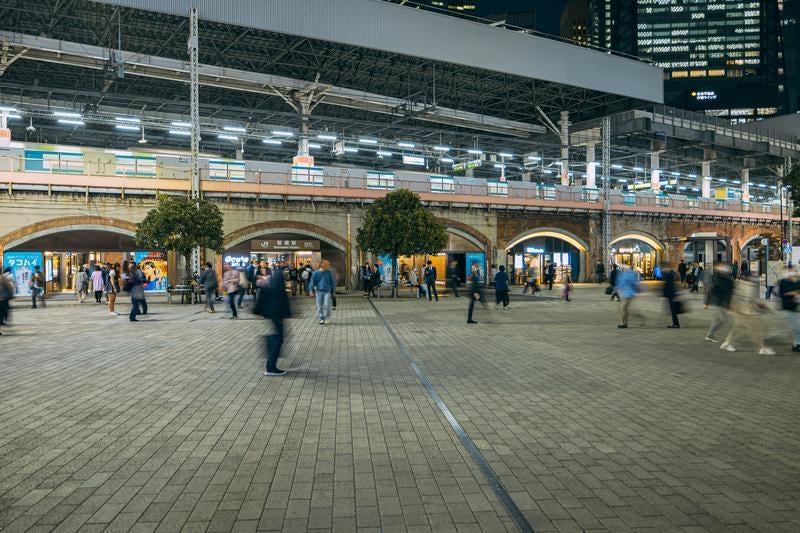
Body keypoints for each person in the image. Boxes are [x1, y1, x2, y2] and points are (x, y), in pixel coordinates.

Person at [255, 259, 291, 376]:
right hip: (276, 314)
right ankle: (271, 367)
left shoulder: (273, 280)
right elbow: (281, 299)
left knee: (278, 337)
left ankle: (271, 365)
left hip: (273, 313)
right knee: (278, 339)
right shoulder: (277, 282)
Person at [721, 277, 774, 355]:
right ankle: (762, 348)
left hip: (741, 312)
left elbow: (736, 299)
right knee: (756, 330)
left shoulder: (740, 286)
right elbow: (751, 302)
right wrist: (764, 309)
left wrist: (733, 309)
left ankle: (727, 343)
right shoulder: (750, 287)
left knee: (737, 328)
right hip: (747, 313)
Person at [705, 264, 734, 343]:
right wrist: (707, 302)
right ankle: (711, 335)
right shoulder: (721, 279)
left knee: (718, 319)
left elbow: (730, 292)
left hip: (720, 302)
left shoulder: (725, 280)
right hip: (719, 303)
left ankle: (710, 335)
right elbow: (711, 290)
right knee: (723, 320)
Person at [778, 266, 800, 352]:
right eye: (792, 272)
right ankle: (796, 345)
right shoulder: (783, 282)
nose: (793, 274)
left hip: (795, 308)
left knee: (797, 328)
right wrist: (793, 293)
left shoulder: (797, 282)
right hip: (787, 309)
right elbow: (781, 294)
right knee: (798, 328)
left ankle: (797, 345)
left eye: (795, 272)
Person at [310, 260, 335, 324]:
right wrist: (311, 291)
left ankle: (326, 316)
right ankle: (321, 318)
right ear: (321, 264)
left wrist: (333, 291)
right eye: (326, 264)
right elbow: (312, 282)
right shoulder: (316, 273)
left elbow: (332, 282)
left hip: (327, 291)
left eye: (327, 264)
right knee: (319, 305)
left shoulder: (329, 272)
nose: (327, 265)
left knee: (326, 305)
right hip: (319, 291)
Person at [615, 264, 640, 328]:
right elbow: (634, 282)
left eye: (622, 268)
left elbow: (623, 283)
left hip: (629, 294)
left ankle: (625, 324)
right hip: (629, 293)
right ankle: (626, 322)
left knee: (624, 308)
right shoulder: (630, 274)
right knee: (625, 308)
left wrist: (617, 287)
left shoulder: (626, 274)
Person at [0, 267, 13, 335]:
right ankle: (2, 320)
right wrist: (11, 295)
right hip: (3, 299)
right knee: (2, 312)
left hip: (3, 298)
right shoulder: (3, 279)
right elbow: (9, 287)